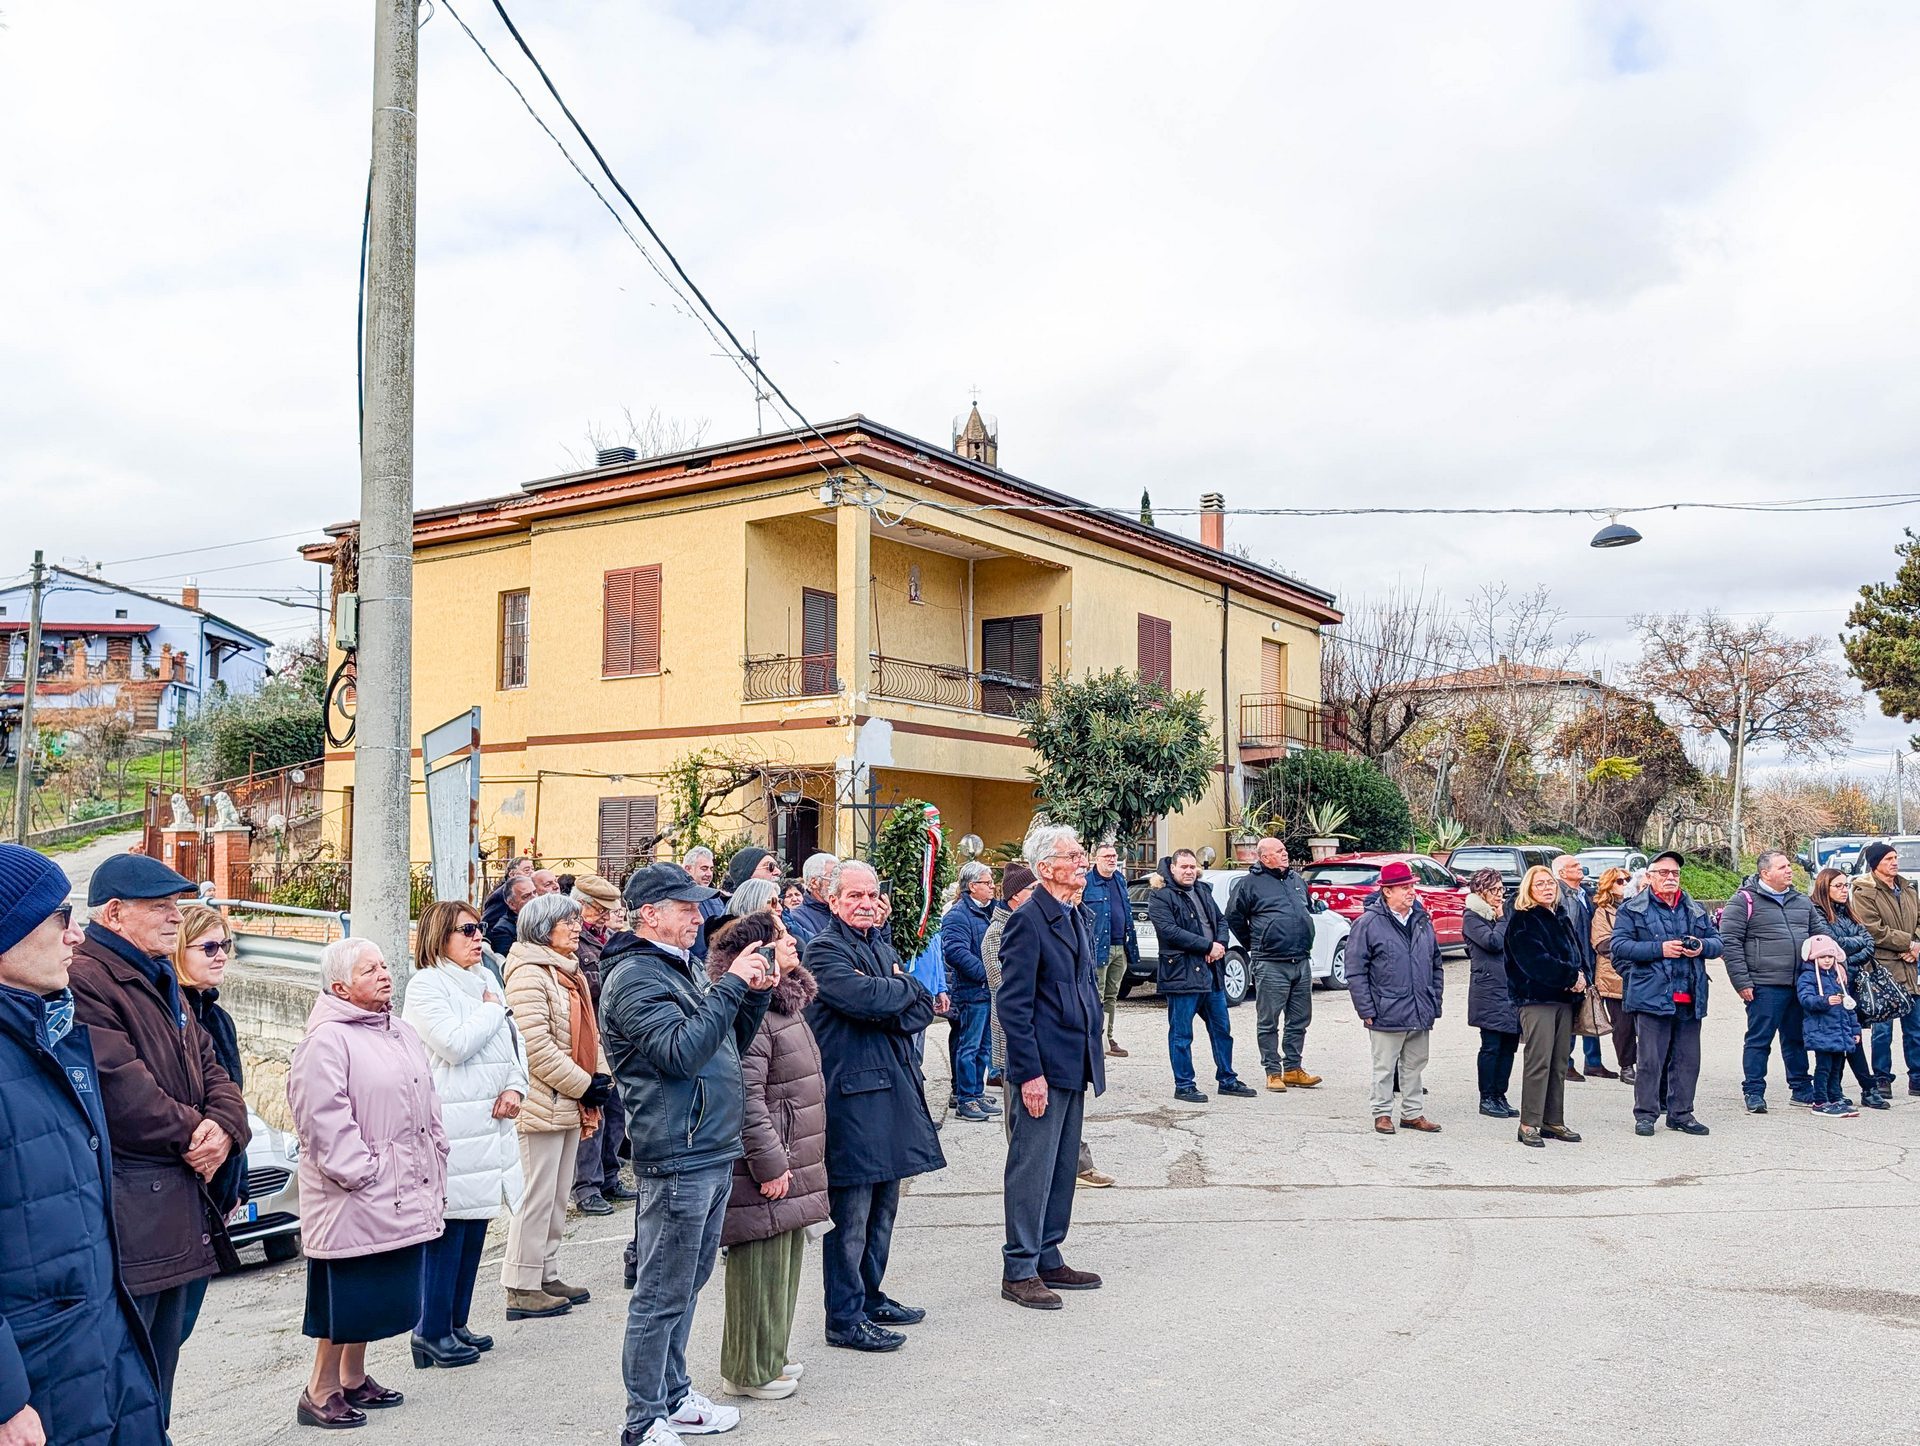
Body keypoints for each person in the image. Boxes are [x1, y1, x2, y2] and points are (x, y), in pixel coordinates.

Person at [67, 854, 250, 1430]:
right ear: (114, 914)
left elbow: (214, 1069)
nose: (176, 916)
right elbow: (121, 1089)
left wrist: (225, 1129)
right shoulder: (87, 979)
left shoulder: (159, 975)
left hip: (178, 1203)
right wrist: (197, 1133)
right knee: (130, 1387)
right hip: (138, 1210)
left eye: (176, 905)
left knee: (158, 1380)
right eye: (161, 906)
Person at [598, 862, 776, 1446]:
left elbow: (724, 1043)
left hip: (708, 1146)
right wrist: (731, 985)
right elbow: (680, 1053)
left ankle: (673, 1398)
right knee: (660, 1293)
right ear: (650, 915)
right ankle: (642, 1419)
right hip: (677, 1153)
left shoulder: (679, 964)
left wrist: (753, 994)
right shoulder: (634, 977)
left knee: (687, 1284)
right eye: (687, 907)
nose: (700, 917)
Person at [0, 844, 164, 1446]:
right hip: (38, 1382)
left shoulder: (54, 1035)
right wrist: (5, 1400)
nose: (76, 935)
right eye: (59, 917)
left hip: (101, 1351)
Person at [286, 937, 449, 1429]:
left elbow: (425, 1099)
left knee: (375, 1293)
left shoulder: (399, 1031)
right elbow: (322, 1120)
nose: (384, 974)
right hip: (353, 1193)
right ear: (340, 987)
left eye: (383, 965)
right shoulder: (326, 1041)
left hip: (397, 1186)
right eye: (369, 970)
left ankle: (353, 1378)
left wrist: (437, 1149)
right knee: (347, 1295)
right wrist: (362, 1172)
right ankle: (319, 1391)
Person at [802, 861, 946, 1354]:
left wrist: (896, 995)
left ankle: (870, 1296)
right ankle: (844, 1318)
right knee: (851, 1217)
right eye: (854, 896)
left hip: (891, 1093)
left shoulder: (879, 946)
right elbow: (864, 999)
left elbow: (919, 1010)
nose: (865, 904)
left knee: (884, 1209)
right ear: (833, 901)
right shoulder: (823, 950)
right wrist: (902, 989)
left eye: (871, 895)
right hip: (852, 1100)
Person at [706, 911, 826, 1403]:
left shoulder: (783, 1001)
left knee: (782, 1263)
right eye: (781, 937)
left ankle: (770, 1354)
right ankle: (748, 1369)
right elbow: (745, 1096)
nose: (793, 941)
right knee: (758, 1267)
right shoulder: (753, 1011)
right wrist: (770, 1163)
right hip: (767, 1160)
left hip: (791, 1152)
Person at [402, 900, 528, 1368]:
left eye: (480, 929)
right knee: (448, 1229)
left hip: (489, 1122)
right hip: (452, 1126)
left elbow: (514, 1044)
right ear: (440, 937)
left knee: (475, 1225)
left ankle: (456, 1322)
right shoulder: (426, 985)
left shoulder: (484, 980)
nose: (479, 937)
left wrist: (516, 1086)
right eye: (467, 930)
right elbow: (454, 1045)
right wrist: (492, 1012)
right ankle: (430, 1331)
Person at [996, 824, 1106, 1310]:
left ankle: (1047, 1253)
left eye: (1082, 854)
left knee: (1062, 1166)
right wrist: (1029, 1074)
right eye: (1073, 855)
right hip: (1041, 1067)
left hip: (1072, 1060)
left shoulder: (1072, 912)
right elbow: (1013, 1005)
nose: (1082, 861)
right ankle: (1019, 1268)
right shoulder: (1028, 920)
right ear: (1045, 868)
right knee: (1032, 1168)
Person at [502, 892, 610, 1322]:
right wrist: (585, 1084)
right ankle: (521, 1284)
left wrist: (599, 1078)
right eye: (568, 922)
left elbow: (588, 1034)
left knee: (557, 1194)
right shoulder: (529, 974)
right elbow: (536, 1048)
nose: (577, 927)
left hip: (566, 1099)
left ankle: (545, 1274)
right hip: (542, 1102)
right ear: (544, 928)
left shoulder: (566, 970)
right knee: (536, 1195)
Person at [172, 905, 246, 1345]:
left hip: (219, 1193)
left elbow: (235, 1104)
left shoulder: (219, 1019)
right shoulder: (172, 1015)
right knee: (170, 1329)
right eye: (210, 947)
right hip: (186, 1186)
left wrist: (239, 1185)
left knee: (182, 1324)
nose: (221, 955)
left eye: (226, 945)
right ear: (180, 950)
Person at [1612, 850, 1720, 1138]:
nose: (1670, 877)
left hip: (1690, 994)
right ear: (1649, 877)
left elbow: (1718, 942)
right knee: (1650, 1061)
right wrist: (1659, 950)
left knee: (1687, 1061)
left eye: (1675, 873)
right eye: (1663, 872)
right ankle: (1646, 1115)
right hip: (1651, 996)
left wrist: (1701, 946)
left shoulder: (1694, 908)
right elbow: (1619, 947)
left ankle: (1681, 1114)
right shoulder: (1632, 909)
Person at [1147, 849, 1255, 1104]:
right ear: (1172, 868)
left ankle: (1227, 1079)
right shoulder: (1160, 896)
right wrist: (1207, 947)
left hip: (1211, 973)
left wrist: (1220, 945)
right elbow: (1169, 931)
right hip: (1181, 974)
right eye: (1183, 867)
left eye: (1192, 867)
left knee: (1222, 1030)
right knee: (1181, 1035)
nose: (1189, 871)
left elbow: (1221, 921)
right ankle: (1184, 1085)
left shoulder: (1203, 890)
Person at [1344, 859, 1444, 1135]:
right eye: (1404, 887)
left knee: (1415, 1064)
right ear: (1387, 891)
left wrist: (1434, 1000)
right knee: (1384, 1067)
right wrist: (1365, 1008)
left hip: (1419, 1007)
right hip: (1386, 1008)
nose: (1411, 891)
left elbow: (1435, 963)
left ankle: (1412, 1113)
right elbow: (1355, 970)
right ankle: (1382, 1113)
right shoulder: (1368, 923)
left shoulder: (1421, 920)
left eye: (1412, 886)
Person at [1722, 848, 1817, 1112]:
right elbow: (1730, 942)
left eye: (1789, 866)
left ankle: (1801, 1088)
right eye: (1782, 867)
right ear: (1765, 873)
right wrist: (1742, 982)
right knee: (1759, 1040)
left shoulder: (1801, 901)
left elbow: (1820, 935)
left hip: (1799, 983)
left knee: (1796, 1038)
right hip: (1764, 984)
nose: (1789, 870)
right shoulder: (1743, 901)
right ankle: (1754, 1091)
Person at [1226, 837, 1322, 1093]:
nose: (1285, 854)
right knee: (1268, 1021)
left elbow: (1306, 910)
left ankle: (1293, 1068)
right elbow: (1233, 917)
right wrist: (1255, 944)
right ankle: (1272, 1071)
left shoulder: (1296, 880)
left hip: (1301, 959)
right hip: (1270, 962)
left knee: (1299, 1019)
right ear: (1264, 857)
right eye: (1278, 851)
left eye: (1284, 850)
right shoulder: (1249, 884)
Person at [1506, 865, 1587, 1148]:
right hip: (1537, 999)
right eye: (1539, 884)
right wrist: (1570, 977)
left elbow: (1577, 953)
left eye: (1550, 883)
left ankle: (1553, 1120)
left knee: (1559, 1062)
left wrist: (1582, 976)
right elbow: (1534, 962)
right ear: (1528, 889)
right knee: (1538, 1061)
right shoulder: (1523, 919)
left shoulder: (1561, 917)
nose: (1546, 888)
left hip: (1564, 999)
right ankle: (1529, 1123)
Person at [570, 874, 636, 1216]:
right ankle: (587, 1187)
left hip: (609, 1035)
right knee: (592, 1114)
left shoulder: (603, 937)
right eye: (599, 910)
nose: (605, 916)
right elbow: (583, 984)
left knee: (615, 1111)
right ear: (582, 905)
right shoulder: (572, 939)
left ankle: (609, 1177)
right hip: (587, 1036)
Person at [1811, 867, 1887, 1108]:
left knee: (1852, 1036)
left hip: (1854, 982)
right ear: (1825, 887)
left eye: (1846, 885)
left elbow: (1869, 944)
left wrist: (1846, 957)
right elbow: (1831, 945)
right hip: (1831, 985)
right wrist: (1847, 950)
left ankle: (1856, 1088)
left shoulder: (1849, 912)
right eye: (1838, 886)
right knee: (1843, 1039)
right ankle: (1864, 1088)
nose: (1844, 890)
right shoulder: (1817, 912)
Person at [1850, 841, 1920, 1096]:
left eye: (1895, 857)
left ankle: (1917, 1077)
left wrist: (1916, 945)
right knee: (1883, 1031)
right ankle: (1881, 1078)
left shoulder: (1908, 888)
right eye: (1888, 858)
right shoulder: (1864, 892)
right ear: (1875, 863)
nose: (1894, 862)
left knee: (1915, 1029)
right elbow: (1873, 930)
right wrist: (1908, 943)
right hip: (1882, 970)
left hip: (1911, 967)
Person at [940, 862, 998, 1123]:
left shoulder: (988, 911)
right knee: (969, 1047)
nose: (992, 886)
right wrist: (986, 973)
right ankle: (965, 1099)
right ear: (972, 886)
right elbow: (955, 952)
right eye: (987, 882)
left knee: (984, 1047)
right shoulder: (958, 915)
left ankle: (976, 1092)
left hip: (986, 992)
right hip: (970, 991)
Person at [1461, 867, 1519, 1118]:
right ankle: (1487, 1097)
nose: (1499, 894)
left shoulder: (1500, 914)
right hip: (1488, 990)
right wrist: (1504, 919)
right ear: (1480, 891)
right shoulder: (1472, 917)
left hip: (1510, 989)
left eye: (1501, 889)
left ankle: (1500, 1094)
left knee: (1509, 1046)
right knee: (1491, 1046)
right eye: (1493, 890)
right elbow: (1493, 942)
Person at [1079, 841, 1139, 1058]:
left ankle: (1108, 1038)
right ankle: (1093, 1040)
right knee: (1096, 995)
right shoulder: (1086, 882)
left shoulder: (1120, 880)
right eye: (1107, 856)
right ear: (1096, 859)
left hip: (1120, 946)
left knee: (1112, 995)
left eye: (1114, 856)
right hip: (1097, 949)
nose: (1112, 859)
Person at [1555, 854, 1613, 1080]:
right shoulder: (1560, 895)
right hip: (1573, 961)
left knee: (1591, 1009)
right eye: (1574, 865)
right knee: (1570, 1013)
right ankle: (1565, 1064)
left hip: (1589, 959)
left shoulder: (1584, 893)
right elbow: (1564, 932)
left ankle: (1593, 1063)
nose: (1580, 868)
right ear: (1562, 873)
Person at [1797, 934, 1861, 1118]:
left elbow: (1849, 1006)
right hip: (1822, 1031)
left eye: (1830, 957)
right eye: (1822, 957)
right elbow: (1805, 999)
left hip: (1839, 1031)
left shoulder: (1837, 977)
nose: (1827, 960)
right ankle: (1820, 1101)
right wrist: (1825, 1001)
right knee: (1823, 1067)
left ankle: (1835, 1097)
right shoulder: (1808, 977)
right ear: (1813, 958)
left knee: (1836, 1068)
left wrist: (1855, 1030)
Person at [1590, 867, 1637, 1085]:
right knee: (1623, 1027)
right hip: (1614, 978)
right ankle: (1626, 1066)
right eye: (1619, 881)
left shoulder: (1638, 906)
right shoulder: (1603, 912)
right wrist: (1631, 947)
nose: (1625, 883)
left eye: (1628, 879)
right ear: (1609, 886)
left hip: (1641, 977)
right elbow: (1601, 943)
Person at [683, 848, 728, 963]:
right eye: (704, 868)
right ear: (688, 869)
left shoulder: (716, 898)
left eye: (711, 869)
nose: (709, 874)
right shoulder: (680, 901)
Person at [785, 853, 837, 947]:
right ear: (814, 883)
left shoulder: (844, 912)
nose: (839, 885)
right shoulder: (797, 918)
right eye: (833, 879)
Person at [486, 875, 534, 958]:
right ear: (512, 904)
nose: (534, 898)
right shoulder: (502, 931)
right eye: (526, 896)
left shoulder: (542, 918)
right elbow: (507, 962)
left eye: (535, 892)